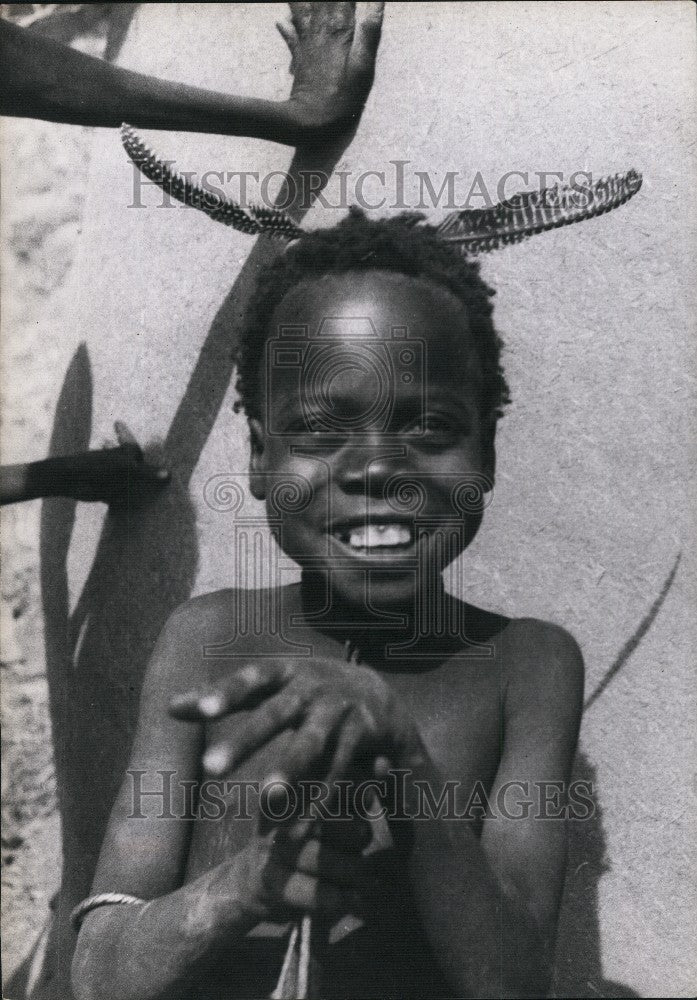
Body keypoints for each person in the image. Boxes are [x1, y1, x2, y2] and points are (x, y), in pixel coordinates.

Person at [70, 4, 585, 998]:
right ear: (259, 457)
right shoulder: (207, 642)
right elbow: (98, 970)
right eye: (317, 429)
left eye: (430, 428)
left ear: (487, 448)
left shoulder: (525, 664)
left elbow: (513, 979)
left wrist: (404, 757)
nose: (376, 466)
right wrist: (238, 889)